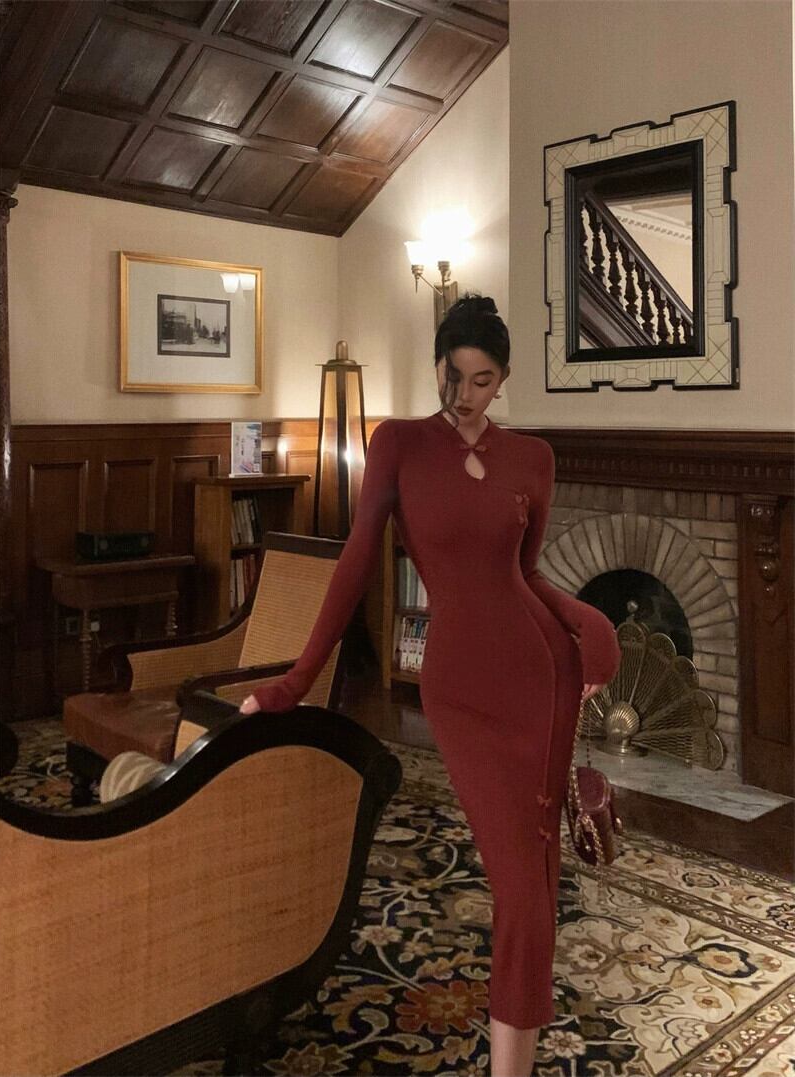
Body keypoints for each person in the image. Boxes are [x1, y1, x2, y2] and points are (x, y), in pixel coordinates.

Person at [240, 295, 621, 1076]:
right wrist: (298, 678)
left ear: (503, 378)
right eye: (454, 376)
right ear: (437, 366)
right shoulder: (398, 444)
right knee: (520, 882)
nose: (465, 394)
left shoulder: (533, 458)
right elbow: (356, 562)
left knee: (533, 889)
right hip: (461, 688)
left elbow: (526, 575)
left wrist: (593, 629)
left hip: (541, 677)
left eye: (483, 380)